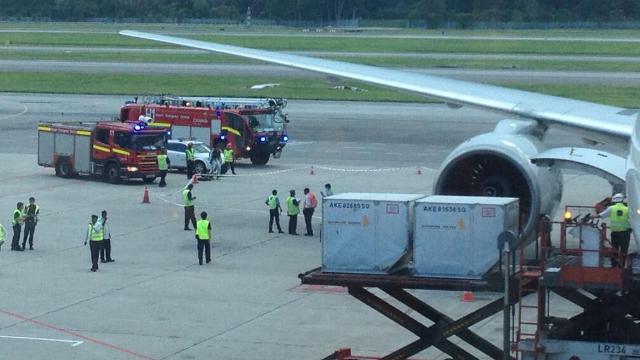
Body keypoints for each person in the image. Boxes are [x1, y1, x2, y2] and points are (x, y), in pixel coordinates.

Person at [596, 193, 631, 267]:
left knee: (615, 249)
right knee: (624, 251)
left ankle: (614, 265)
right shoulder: (627, 209)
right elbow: (633, 219)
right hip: (625, 233)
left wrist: (593, 216)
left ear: (614, 201)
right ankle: (622, 266)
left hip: (615, 233)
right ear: (622, 201)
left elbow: (601, 215)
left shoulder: (611, 208)